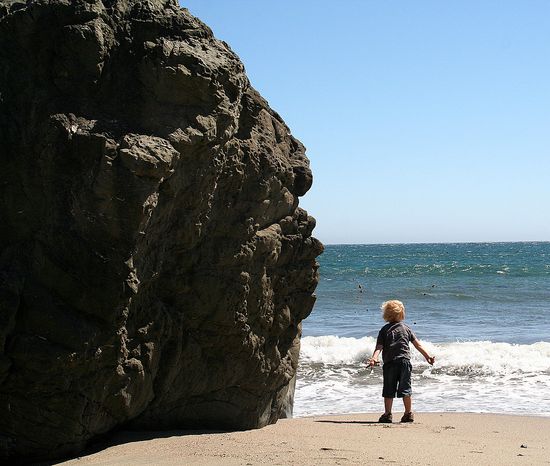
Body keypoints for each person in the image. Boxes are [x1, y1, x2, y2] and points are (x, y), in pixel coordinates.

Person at [366, 299, 435, 423]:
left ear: (386, 315)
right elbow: (417, 345)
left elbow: (379, 347)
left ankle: (387, 414)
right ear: (401, 314)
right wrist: (427, 357)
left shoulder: (384, 330)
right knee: (406, 389)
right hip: (404, 363)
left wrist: (374, 358)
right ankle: (408, 413)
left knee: (389, 389)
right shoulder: (406, 328)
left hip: (390, 363)